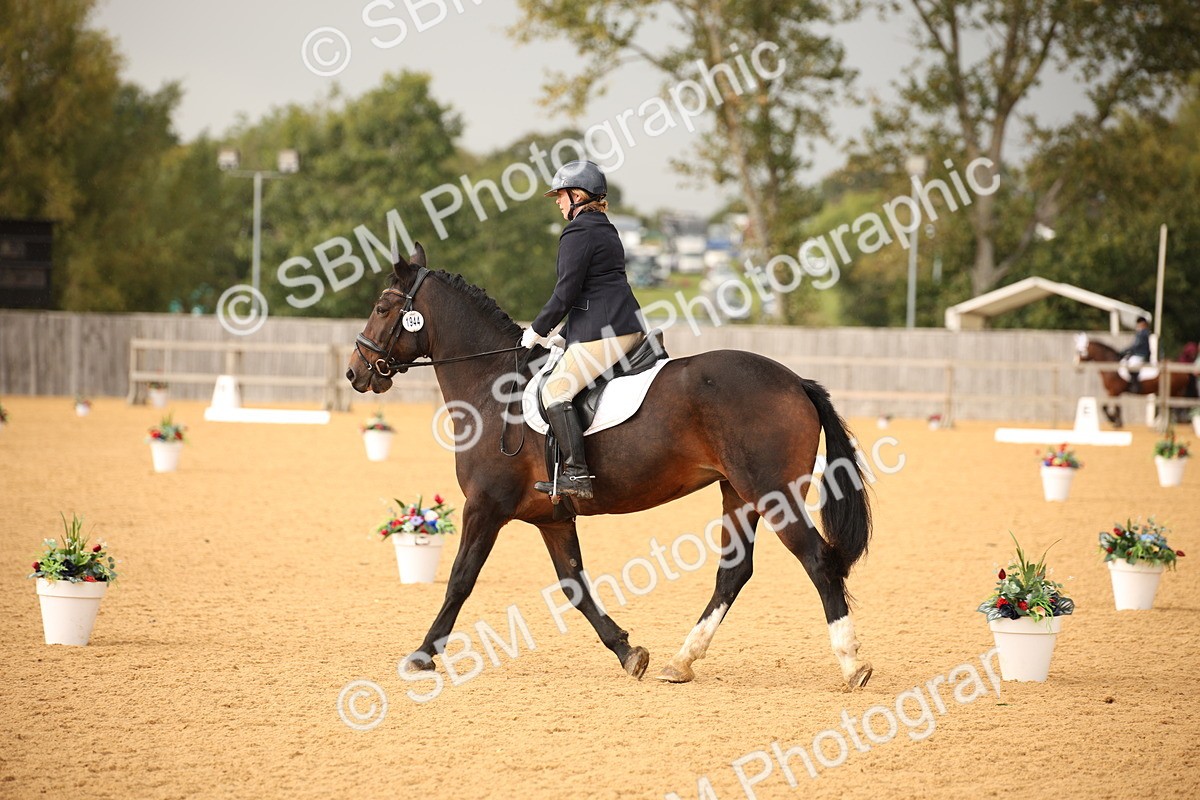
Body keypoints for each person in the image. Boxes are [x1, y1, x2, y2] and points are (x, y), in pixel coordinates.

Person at [521, 160, 645, 500]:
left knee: (555, 391)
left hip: (607, 332)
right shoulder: (603, 226)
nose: (558, 202)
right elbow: (594, 290)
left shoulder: (579, 231)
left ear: (577, 195)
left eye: (561, 195)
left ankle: (576, 472)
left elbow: (567, 291)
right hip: (616, 323)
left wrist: (538, 329)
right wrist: (564, 334)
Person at [1120, 317, 1152, 392]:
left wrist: (1124, 351)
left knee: (1131, 365)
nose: (1137, 326)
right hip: (1137, 354)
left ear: (1143, 324)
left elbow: (1135, 346)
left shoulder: (1143, 333)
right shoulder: (1142, 333)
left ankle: (1135, 384)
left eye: (1139, 324)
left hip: (1140, 355)